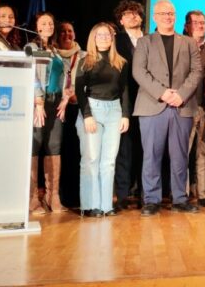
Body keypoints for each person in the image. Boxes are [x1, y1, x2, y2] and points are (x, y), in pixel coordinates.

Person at [133, 0, 202, 215]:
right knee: (152, 155)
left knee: (180, 155)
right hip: (153, 105)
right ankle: (152, 200)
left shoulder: (189, 42)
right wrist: (163, 93)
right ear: (155, 17)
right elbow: (139, 72)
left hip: (182, 106)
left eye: (171, 13)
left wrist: (180, 94)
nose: (168, 17)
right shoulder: (145, 42)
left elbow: (197, 72)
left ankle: (180, 198)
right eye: (163, 13)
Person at [75, 23, 130, 217]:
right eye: (100, 35)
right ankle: (90, 205)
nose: (104, 38)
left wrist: (125, 115)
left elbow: (124, 90)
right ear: (93, 38)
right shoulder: (85, 61)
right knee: (91, 159)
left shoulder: (120, 62)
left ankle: (106, 205)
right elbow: (79, 92)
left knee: (109, 161)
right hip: (92, 109)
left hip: (114, 111)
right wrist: (87, 115)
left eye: (107, 35)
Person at [29, 12, 68, 213]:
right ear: (36, 27)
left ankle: (53, 197)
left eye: (51, 23)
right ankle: (33, 199)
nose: (48, 25)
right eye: (43, 23)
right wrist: (38, 101)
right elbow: (33, 75)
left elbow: (64, 77)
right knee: (35, 146)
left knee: (54, 146)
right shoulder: (32, 48)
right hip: (38, 104)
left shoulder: (54, 50)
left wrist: (65, 98)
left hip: (56, 103)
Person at [113, 0, 145, 209]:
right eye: (128, 14)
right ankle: (122, 195)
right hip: (124, 100)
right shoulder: (116, 40)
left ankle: (146, 194)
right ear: (121, 19)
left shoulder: (152, 39)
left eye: (136, 13)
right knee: (124, 150)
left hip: (148, 100)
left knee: (147, 150)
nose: (133, 16)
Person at [183, 10, 205, 207]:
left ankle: (204, 195)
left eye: (203, 22)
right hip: (185, 106)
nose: (201, 25)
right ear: (187, 26)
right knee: (183, 152)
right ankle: (183, 194)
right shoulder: (180, 45)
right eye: (196, 23)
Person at [55, 21, 86, 209]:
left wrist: (76, 95)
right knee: (60, 152)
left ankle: (78, 196)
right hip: (57, 108)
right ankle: (61, 196)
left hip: (78, 107)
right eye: (63, 32)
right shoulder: (51, 54)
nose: (67, 34)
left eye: (70, 31)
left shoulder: (85, 56)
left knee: (77, 153)